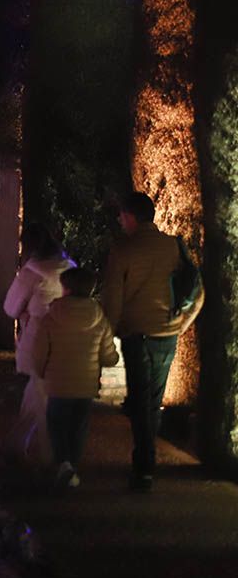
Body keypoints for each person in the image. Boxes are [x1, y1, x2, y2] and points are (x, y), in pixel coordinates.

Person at [102, 191, 204, 491]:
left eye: (121, 215)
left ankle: (144, 464)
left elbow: (112, 301)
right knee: (153, 401)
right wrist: (181, 325)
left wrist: (106, 338)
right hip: (166, 334)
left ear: (131, 216)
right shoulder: (174, 247)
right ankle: (146, 464)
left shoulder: (122, 250)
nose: (119, 220)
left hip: (136, 335)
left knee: (139, 402)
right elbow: (197, 291)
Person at [30, 266, 120, 489]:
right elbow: (110, 357)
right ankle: (72, 466)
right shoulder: (100, 318)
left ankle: (63, 465)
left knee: (57, 426)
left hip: (57, 383)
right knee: (78, 428)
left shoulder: (50, 318)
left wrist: (40, 371)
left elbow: (39, 352)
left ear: (66, 288)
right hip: (85, 386)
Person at [3, 223, 74, 463]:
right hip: (68, 341)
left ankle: (51, 461)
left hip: (37, 342)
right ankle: (15, 445)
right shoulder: (70, 268)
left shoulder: (31, 273)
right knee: (36, 396)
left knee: (42, 400)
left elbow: (11, 307)